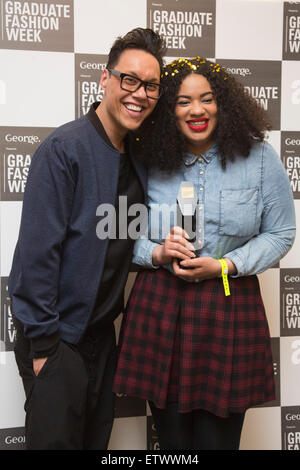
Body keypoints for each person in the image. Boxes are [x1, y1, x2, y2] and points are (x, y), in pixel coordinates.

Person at [113, 57, 296, 450]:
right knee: (174, 445)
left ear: (223, 104)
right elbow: (119, 235)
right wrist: (158, 253)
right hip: (161, 307)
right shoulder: (144, 158)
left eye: (207, 99)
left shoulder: (260, 158)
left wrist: (227, 265)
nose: (197, 110)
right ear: (167, 110)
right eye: (182, 101)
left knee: (218, 443)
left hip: (230, 305)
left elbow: (281, 232)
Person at [8, 27, 166, 450]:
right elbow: (36, 258)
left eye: (151, 85)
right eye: (128, 79)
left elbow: (120, 245)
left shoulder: (137, 159)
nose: (140, 93)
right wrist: (46, 350)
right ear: (105, 79)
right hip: (58, 341)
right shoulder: (64, 150)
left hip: (103, 341)